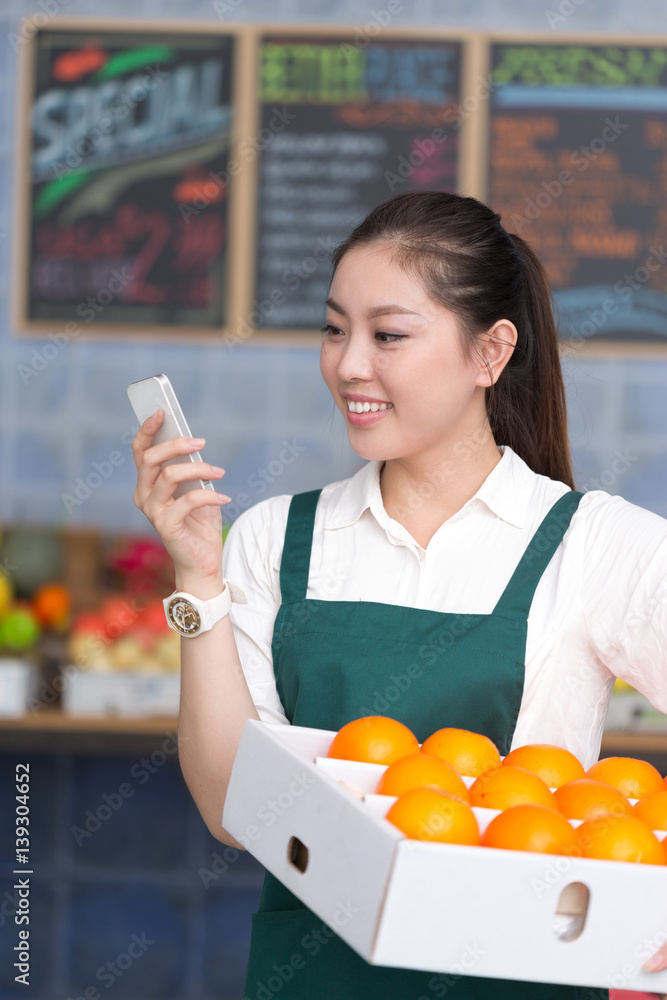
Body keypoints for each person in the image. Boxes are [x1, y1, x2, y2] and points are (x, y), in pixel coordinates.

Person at [131, 190, 667, 1000]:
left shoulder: (594, 543)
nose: (348, 364)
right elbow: (233, 812)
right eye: (334, 328)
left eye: (386, 335)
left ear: (490, 354)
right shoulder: (277, 539)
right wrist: (199, 579)